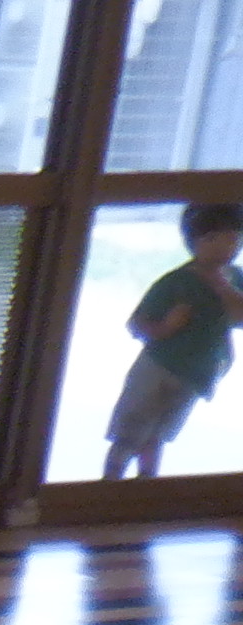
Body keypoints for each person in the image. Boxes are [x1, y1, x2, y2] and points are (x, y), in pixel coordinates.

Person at [104, 202, 243, 479]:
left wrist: (222, 287)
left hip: (196, 374)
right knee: (130, 433)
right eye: (220, 239)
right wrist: (166, 327)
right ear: (198, 241)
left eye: (235, 239)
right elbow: (137, 324)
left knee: (158, 436)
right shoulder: (176, 281)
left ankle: (146, 486)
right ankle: (108, 484)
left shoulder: (234, 278)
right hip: (157, 368)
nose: (231, 247)